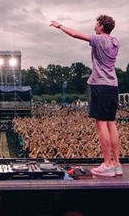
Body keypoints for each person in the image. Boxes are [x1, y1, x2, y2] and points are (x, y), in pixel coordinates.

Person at [50, 15, 121, 177]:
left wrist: (59, 26)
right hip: (113, 85)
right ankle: (117, 164)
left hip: (100, 85)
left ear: (101, 26)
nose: (94, 26)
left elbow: (75, 34)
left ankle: (107, 164)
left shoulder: (99, 39)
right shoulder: (115, 41)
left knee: (101, 124)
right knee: (111, 123)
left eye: (96, 24)